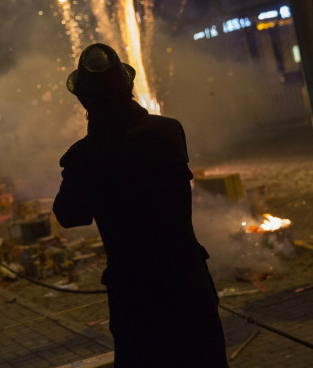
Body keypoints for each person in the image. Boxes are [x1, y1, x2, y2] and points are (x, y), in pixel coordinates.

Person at [53, 44, 228, 367]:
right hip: (188, 282)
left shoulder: (84, 156)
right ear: (130, 88)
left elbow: (69, 215)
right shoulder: (169, 131)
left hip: (137, 297)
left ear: (83, 100)